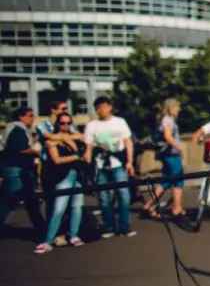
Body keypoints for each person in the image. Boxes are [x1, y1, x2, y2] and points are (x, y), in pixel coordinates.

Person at [84, 96, 136, 238]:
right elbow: (88, 146)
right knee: (103, 197)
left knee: (123, 195)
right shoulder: (92, 126)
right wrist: (87, 160)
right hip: (101, 164)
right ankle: (108, 226)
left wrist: (130, 162)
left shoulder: (119, 122)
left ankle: (125, 226)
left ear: (110, 107)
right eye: (98, 108)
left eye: (104, 107)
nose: (102, 110)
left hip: (118, 162)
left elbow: (128, 142)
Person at [37, 112, 86, 253]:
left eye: (69, 123)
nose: (66, 126)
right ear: (57, 124)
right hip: (63, 174)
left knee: (77, 206)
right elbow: (57, 160)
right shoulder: (52, 139)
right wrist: (75, 156)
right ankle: (48, 240)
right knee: (59, 208)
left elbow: (83, 138)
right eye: (63, 123)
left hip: (77, 174)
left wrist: (65, 139)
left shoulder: (71, 136)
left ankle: (74, 235)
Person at [0, 106, 46, 234]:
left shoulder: (17, 129)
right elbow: (19, 149)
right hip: (16, 169)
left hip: (21, 168)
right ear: (21, 117)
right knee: (10, 199)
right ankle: (41, 227)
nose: (33, 118)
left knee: (31, 199)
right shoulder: (18, 130)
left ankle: (41, 227)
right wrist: (35, 151)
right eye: (30, 115)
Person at [143, 99, 186, 219]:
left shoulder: (164, 119)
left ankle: (149, 204)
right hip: (171, 154)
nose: (179, 110)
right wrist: (179, 148)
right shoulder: (168, 120)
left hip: (166, 154)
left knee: (166, 181)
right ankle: (177, 208)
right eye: (177, 107)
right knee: (178, 179)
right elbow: (168, 136)